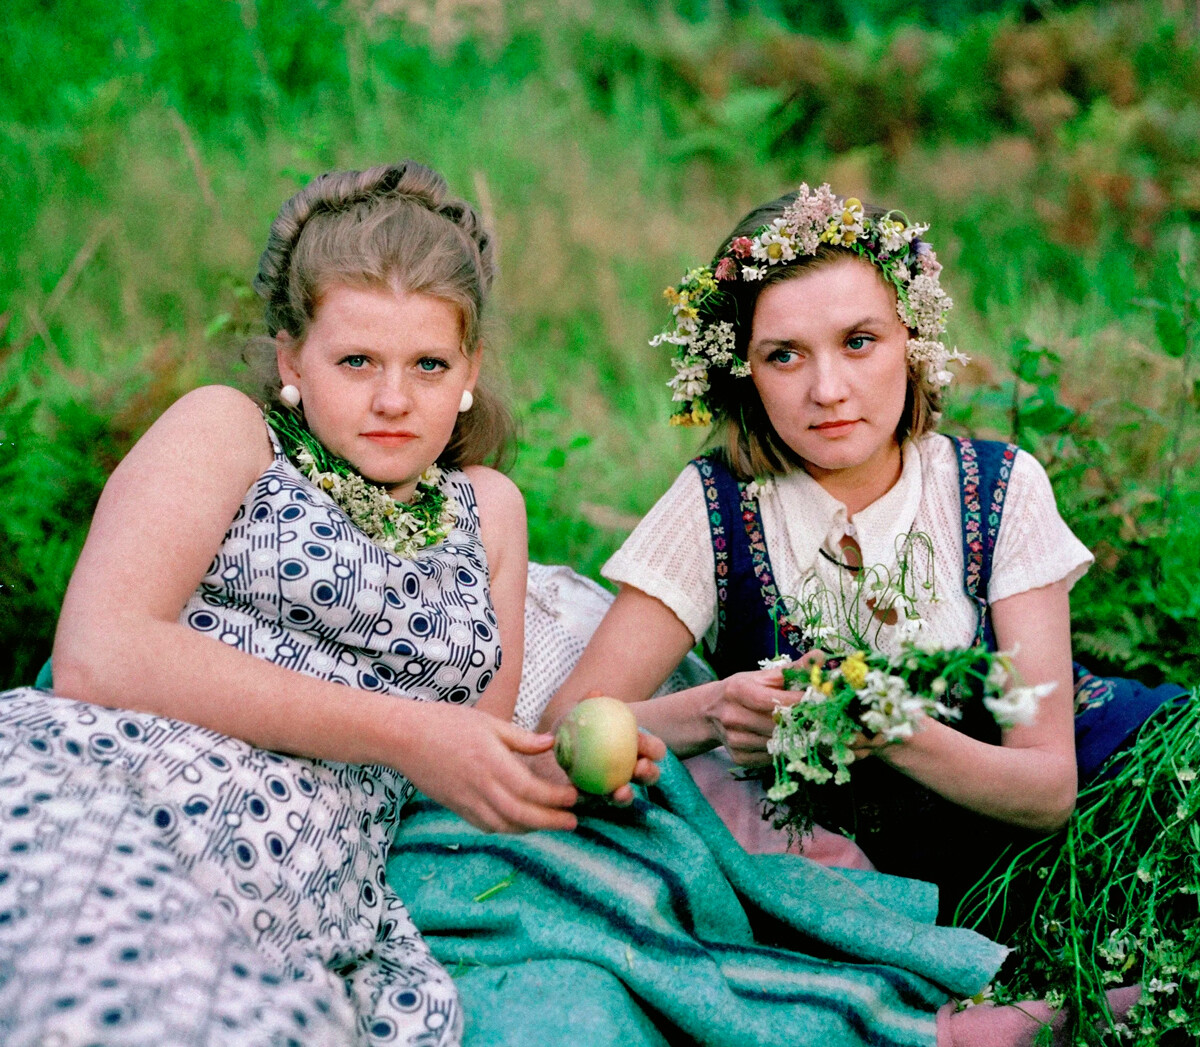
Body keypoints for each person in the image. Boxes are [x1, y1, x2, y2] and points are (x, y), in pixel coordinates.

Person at [0, 160, 593, 1047]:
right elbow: (98, 652)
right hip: (118, 782)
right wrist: (406, 732)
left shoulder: (490, 512)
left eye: (429, 363)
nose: (394, 399)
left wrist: (630, 739)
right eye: (356, 360)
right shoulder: (227, 432)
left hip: (299, 880)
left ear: (469, 367)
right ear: (291, 357)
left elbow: (477, 751)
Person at [535, 184, 1187, 919]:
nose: (828, 389)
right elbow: (567, 727)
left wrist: (885, 731)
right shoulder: (717, 505)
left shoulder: (996, 487)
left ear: (911, 340)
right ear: (742, 372)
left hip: (1103, 806)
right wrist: (716, 710)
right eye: (784, 355)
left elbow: (1047, 791)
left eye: (858, 341)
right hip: (875, 888)